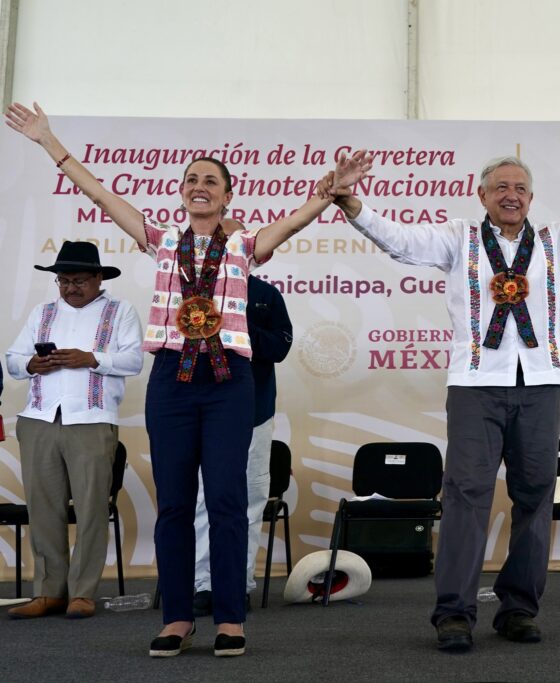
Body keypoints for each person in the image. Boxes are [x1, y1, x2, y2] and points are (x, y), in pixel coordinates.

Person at [320, 122, 560, 652]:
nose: (510, 195)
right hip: (476, 385)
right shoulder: (456, 238)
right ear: (482, 196)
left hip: (541, 385)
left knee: (535, 496)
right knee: (466, 495)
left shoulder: (559, 241)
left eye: (519, 188)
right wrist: (353, 204)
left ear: (531, 198)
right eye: (500, 188)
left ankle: (518, 608)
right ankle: (454, 614)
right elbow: (400, 241)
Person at [6, 101, 343, 657]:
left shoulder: (242, 246)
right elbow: (101, 195)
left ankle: (231, 618)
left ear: (228, 196)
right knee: (176, 505)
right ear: (182, 194)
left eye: (210, 180)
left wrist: (327, 194)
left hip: (230, 380)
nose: (199, 186)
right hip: (172, 381)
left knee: (230, 500)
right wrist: (48, 141)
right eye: (191, 180)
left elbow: (294, 220)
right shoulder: (161, 241)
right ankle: (179, 617)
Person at [5, 241, 143, 620]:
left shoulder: (120, 311)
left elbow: (135, 360)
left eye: (79, 280)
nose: (70, 288)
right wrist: (33, 364)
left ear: (99, 279)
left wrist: (93, 359)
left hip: (92, 419)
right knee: (43, 508)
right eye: (63, 281)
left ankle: (82, 593)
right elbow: (12, 360)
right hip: (40, 419)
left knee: (91, 508)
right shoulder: (43, 312)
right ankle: (49, 591)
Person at [193, 274, 293, 614]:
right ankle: (204, 584)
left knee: (249, 501)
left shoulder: (265, 293)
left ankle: (238, 583)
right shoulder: (190, 289)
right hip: (203, 410)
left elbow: (281, 345)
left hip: (254, 411)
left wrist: (239, 328)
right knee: (205, 499)